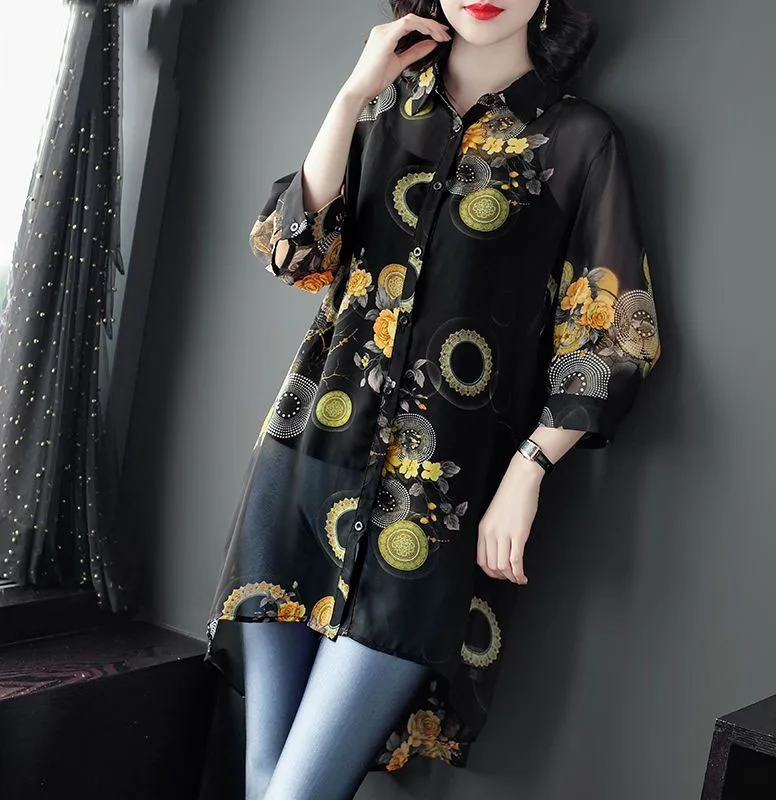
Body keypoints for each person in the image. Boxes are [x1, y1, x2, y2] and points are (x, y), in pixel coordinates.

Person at [203, 1, 663, 798]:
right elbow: (293, 251)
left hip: (431, 506)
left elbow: (617, 336)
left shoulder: (577, 139)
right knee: (267, 782)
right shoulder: (381, 114)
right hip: (300, 469)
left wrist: (529, 468)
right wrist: (352, 93)